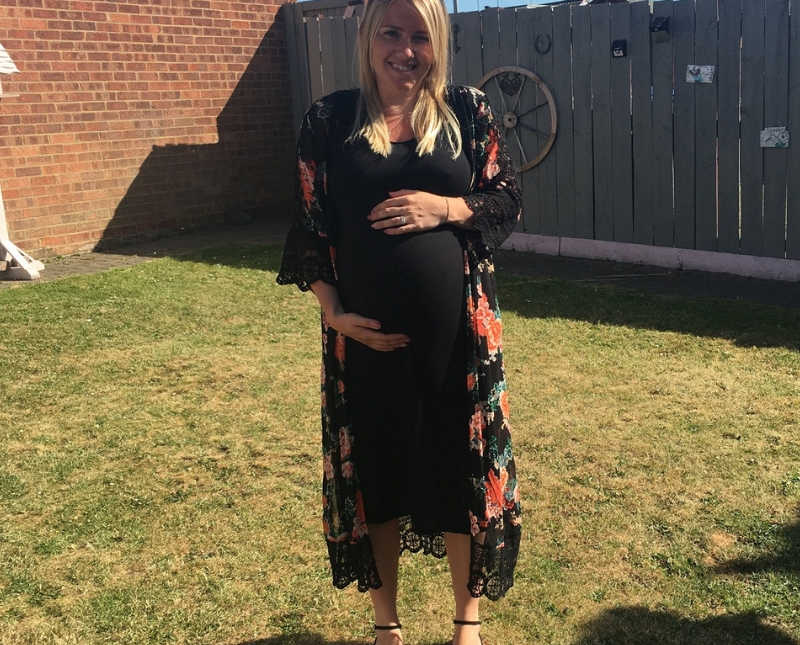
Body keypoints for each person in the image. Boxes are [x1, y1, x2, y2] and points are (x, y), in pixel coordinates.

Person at [276, 0, 522, 642]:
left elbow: (506, 197)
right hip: (364, 338)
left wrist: (443, 206)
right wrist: (334, 314)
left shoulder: (468, 111)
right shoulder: (329, 119)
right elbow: (310, 226)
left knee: (458, 464)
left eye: (420, 35)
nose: (404, 49)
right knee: (376, 471)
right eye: (391, 32)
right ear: (368, 36)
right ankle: (386, 625)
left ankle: (466, 624)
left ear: (437, 42)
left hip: (460, 336)